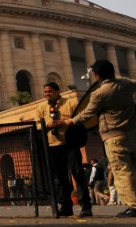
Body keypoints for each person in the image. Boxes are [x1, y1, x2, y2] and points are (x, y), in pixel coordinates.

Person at [63, 59, 136, 218]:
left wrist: (70, 121)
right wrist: (117, 76)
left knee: (122, 171)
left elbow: (87, 114)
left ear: (97, 75)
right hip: (133, 133)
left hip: (114, 136)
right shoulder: (126, 85)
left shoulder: (99, 93)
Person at [34, 82, 93, 217]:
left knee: (78, 174)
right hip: (52, 146)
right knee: (59, 178)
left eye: (49, 91)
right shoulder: (41, 108)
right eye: (45, 92)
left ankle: (85, 206)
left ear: (57, 91)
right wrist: (46, 125)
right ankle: (66, 206)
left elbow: (80, 118)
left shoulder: (70, 103)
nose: (47, 94)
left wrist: (66, 122)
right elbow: (37, 125)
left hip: (69, 144)